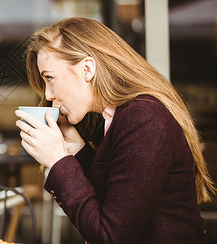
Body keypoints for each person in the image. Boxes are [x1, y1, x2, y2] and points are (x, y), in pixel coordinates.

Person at [15, 17, 215, 243]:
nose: (48, 95)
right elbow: (119, 195)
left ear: (87, 69)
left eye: (50, 78)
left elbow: (111, 237)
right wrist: (75, 149)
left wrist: (59, 161)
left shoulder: (144, 119)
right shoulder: (121, 115)